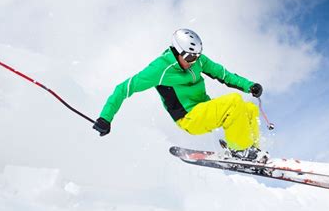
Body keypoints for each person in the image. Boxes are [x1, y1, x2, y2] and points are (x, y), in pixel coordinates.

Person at [93, 29, 268, 163]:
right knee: (233, 102)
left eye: (197, 56)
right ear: (177, 52)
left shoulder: (198, 60)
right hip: (189, 117)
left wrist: (249, 86)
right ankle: (239, 150)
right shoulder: (160, 69)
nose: (193, 61)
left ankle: (252, 149)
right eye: (190, 56)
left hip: (203, 109)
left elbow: (223, 74)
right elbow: (124, 88)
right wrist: (105, 118)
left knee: (248, 107)